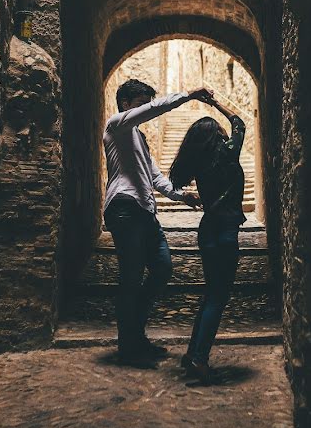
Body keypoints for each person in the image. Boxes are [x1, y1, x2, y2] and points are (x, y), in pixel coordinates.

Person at [103, 79, 213, 365]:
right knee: (131, 277)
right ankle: (130, 345)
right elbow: (154, 109)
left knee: (163, 268)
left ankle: (134, 335)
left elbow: (155, 177)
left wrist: (182, 196)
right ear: (126, 104)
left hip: (144, 211)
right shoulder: (115, 125)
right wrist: (188, 96)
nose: (145, 109)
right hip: (124, 208)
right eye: (140, 103)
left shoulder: (138, 138)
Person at [168, 95, 246, 384]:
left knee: (210, 293)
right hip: (225, 231)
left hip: (207, 230)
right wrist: (216, 105)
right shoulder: (227, 154)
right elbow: (239, 123)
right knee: (218, 296)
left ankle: (192, 354)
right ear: (217, 136)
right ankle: (200, 359)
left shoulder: (199, 163)